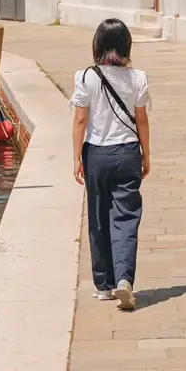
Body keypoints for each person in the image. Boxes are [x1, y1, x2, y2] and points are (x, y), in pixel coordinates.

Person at [71, 16, 151, 310]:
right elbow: (141, 119)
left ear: (98, 45)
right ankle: (124, 280)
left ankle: (104, 285)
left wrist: (76, 156)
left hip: (97, 154)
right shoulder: (138, 78)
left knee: (98, 217)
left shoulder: (86, 77)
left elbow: (80, 119)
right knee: (126, 218)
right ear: (125, 45)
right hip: (128, 153)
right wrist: (147, 155)